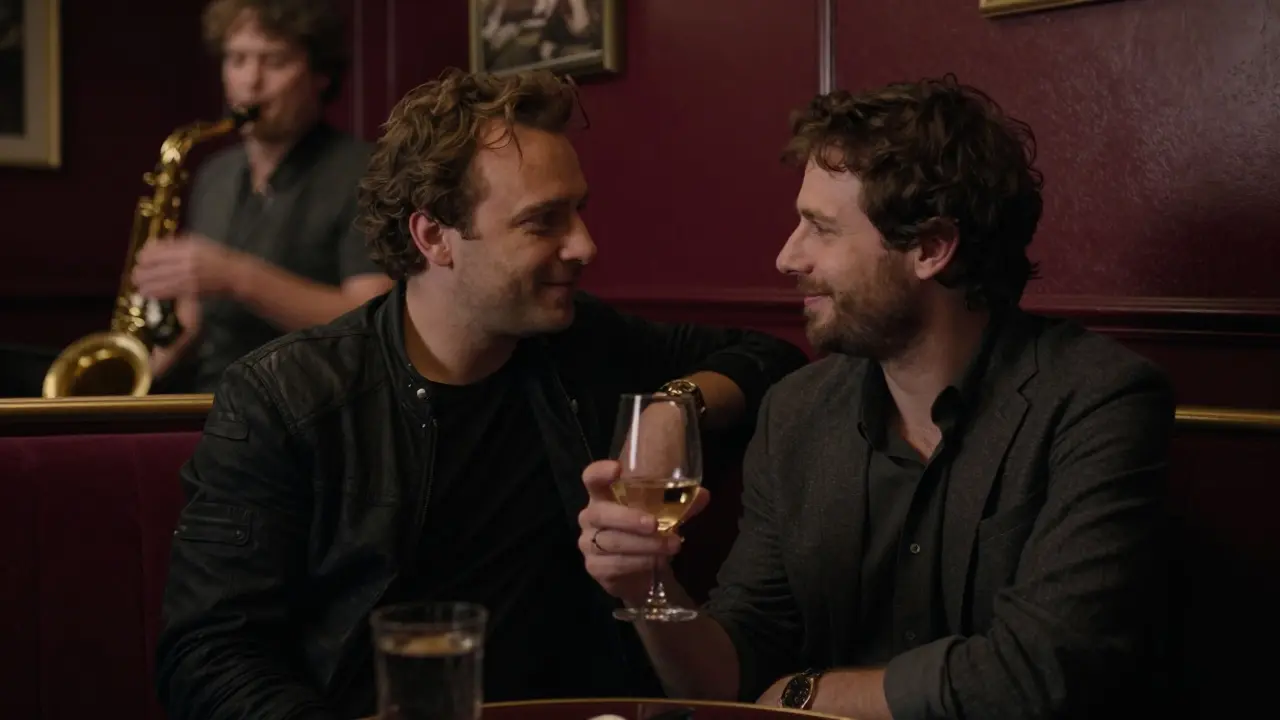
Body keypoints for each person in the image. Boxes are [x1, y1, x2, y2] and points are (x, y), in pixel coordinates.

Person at [153, 67, 810, 720]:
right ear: (433, 236)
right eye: (542, 221)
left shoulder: (581, 342)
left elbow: (768, 358)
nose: (584, 244)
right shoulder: (283, 396)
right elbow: (212, 654)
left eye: (577, 210)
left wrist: (676, 404)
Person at [579, 75, 1176, 720]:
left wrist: (811, 695)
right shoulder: (796, 412)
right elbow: (734, 667)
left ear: (930, 247)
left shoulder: (1097, 399)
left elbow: (1043, 671)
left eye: (820, 229)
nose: (786, 257)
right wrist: (647, 587)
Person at [131, 0, 394, 394]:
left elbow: (373, 317)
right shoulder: (214, 174)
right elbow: (194, 316)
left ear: (319, 73)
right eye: (237, 59)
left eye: (274, 61)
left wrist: (236, 276)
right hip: (210, 401)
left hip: (310, 404)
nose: (250, 82)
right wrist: (136, 371)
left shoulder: (365, 170)